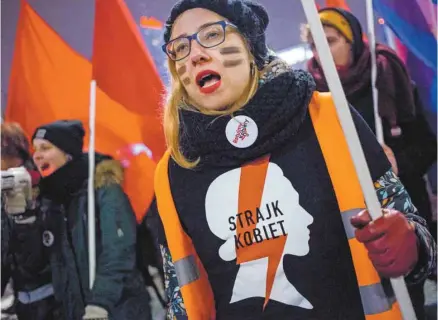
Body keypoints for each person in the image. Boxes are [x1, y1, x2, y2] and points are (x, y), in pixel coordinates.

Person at [145, 0, 437, 319]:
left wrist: (412, 243)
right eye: (180, 48)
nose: (195, 54)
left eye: (212, 34)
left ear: (249, 44)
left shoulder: (329, 116)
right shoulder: (174, 169)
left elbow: (415, 232)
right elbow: (181, 295)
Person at [303, 7, 437, 319]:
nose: (321, 51)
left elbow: (427, 144)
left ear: (352, 41)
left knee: (409, 299)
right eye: (314, 45)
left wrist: (395, 162)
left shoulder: (386, 75)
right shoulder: (311, 98)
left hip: (402, 213)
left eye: (331, 40)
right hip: (349, 224)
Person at [17, 119, 151, 320]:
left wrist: (100, 304)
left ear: (67, 153)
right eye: (35, 149)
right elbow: (37, 264)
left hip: (117, 310)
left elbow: (119, 251)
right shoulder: (48, 200)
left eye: (45, 147)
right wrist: (22, 220)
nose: (36, 155)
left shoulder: (103, 189)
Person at [1, 122, 64, 319]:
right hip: (23, 296)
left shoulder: (41, 183)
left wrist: (24, 219)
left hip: (49, 299)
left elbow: (38, 255)